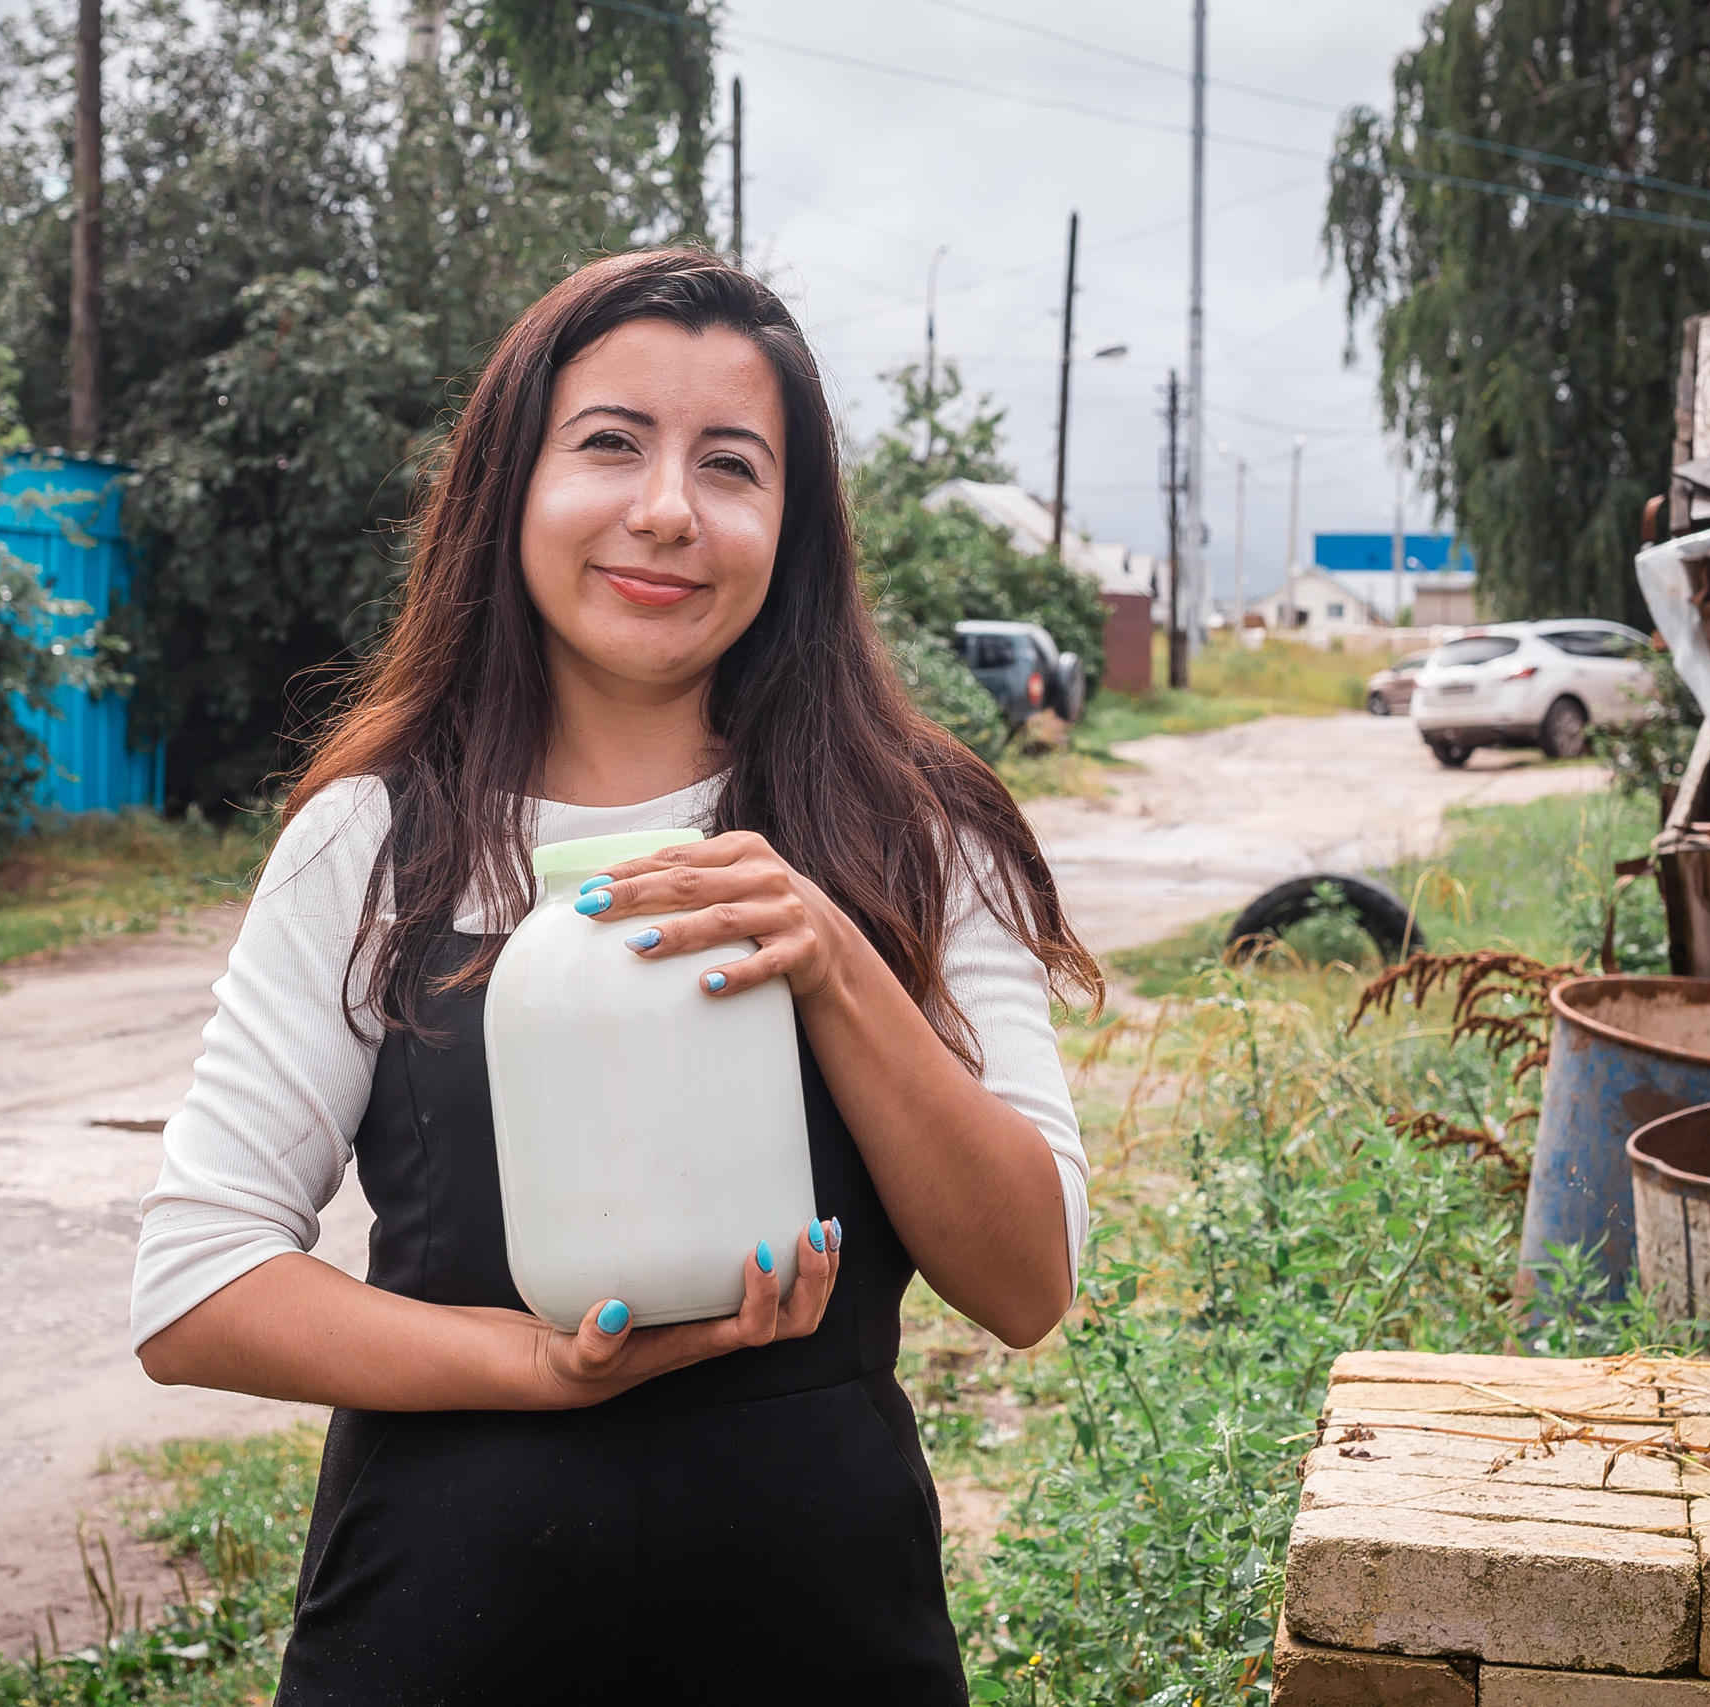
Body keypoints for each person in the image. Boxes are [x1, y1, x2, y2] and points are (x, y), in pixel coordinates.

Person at [132, 248, 1102, 1702]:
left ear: (794, 526)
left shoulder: (916, 830)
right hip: (440, 1627)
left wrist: (833, 960)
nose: (666, 510)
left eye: (731, 465)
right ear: (511, 484)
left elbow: (1026, 1280)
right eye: (609, 445)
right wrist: (533, 1364)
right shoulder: (379, 838)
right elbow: (196, 1289)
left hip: (823, 1635)